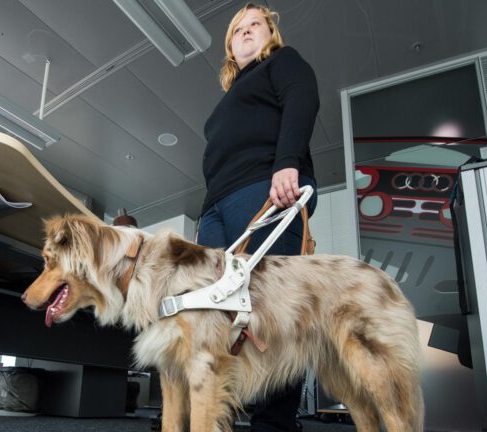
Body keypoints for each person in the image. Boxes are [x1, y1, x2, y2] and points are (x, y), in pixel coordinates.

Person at [197, 3, 319, 431]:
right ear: (230, 46)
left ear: (271, 36)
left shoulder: (282, 62)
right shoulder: (227, 99)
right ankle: (216, 415)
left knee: (273, 308)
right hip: (216, 204)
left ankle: (274, 424)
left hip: (266, 189)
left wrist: (287, 162)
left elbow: (303, 98)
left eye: (256, 25)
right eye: (238, 28)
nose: (246, 31)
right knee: (216, 314)